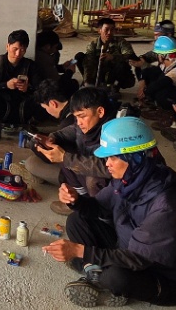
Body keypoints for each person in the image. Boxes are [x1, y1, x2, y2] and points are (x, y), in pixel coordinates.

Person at [42, 117, 176, 308]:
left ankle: (99, 277)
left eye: (113, 157)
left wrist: (80, 251)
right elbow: (100, 207)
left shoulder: (166, 206)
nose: (107, 163)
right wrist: (76, 201)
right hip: (131, 246)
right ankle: (93, 272)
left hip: (166, 275)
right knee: (76, 220)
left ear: (135, 158)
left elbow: (138, 259)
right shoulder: (129, 179)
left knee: (116, 277)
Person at [24, 86, 115, 216]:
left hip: (109, 187)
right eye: (76, 118)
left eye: (82, 116)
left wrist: (65, 158)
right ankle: (78, 200)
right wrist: (51, 139)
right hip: (83, 174)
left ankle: (101, 216)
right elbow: (67, 132)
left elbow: (108, 167)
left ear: (100, 111)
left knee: (93, 179)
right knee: (62, 152)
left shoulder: (115, 133)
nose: (79, 122)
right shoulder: (83, 125)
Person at [0, 29, 37, 144]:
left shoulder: (31, 66)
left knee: (44, 94)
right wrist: (5, 85)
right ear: (7, 46)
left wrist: (28, 88)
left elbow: (40, 87)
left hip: (23, 105)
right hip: (1, 105)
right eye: (15, 49)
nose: (18, 54)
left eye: (22, 50)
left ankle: (31, 126)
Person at [136, 36, 176, 117]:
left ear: (162, 56)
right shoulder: (168, 64)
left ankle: (170, 114)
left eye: (158, 54)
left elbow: (159, 84)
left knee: (161, 92)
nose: (157, 56)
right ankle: (154, 103)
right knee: (152, 73)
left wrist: (144, 92)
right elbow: (147, 72)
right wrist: (142, 82)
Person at [78, 17, 137, 91]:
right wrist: (87, 81)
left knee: (121, 64)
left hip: (114, 73)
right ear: (99, 30)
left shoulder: (121, 42)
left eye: (112, 30)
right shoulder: (93, 45)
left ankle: (114, 86)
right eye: (106, 29)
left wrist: (113, 57)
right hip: (98, 71)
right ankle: (91, 83)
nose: (109, 32)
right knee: (80, 57)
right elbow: (88, 63)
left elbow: (130, 55)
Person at [34, 29, 78, 98]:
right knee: (73, 84)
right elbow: (57, 83)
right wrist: (70, 71)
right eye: (55, 47)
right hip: (46, 91)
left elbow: (48, 69)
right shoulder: (45, 58)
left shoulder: (38, 53)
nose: (55, 50)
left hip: (43, 86)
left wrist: (62, 67)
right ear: (48, 47)